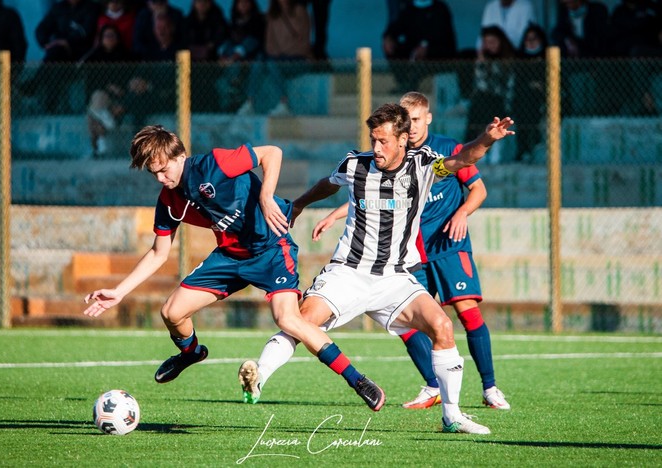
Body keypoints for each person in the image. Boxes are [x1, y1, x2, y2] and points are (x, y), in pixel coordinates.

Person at [239, 103, 515, 434]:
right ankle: (258, 375)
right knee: (301, 321)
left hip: (394, 277)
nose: (377, 148)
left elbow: (464, 158)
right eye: (373, 140)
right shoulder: (356, 163)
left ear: (402, 140)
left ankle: (452, 415)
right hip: (348, 273)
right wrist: (299, 204)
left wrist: (487, 138)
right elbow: (329, 183)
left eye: (384, 141)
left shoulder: (423, 165)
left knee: (442, 326)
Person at [83, 125, 387, 413]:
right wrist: (119, 292)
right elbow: (158, 253)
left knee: (288, 319)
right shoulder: (169, 201)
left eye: (164, 169)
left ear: (180, 156)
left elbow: (272, 153)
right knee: (171, 312)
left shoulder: (215, 164)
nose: (162, 178)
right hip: (229, 257)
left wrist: (266, 197)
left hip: (270, 249)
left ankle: (357, 380)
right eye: (154, 173)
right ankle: (191, 354)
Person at [237, 0, 312, 116]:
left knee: (272, 63)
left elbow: (304, 42)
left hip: (298, 60)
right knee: (259, 61)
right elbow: (269, 42)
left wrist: (282, 52)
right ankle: (249, 103)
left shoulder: (300, 11)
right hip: (279, 58)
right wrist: (277, 53)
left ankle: (284, 104)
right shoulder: (273, 14)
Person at [80, 24, 135, 157]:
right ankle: (104, 125)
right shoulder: (94, 57)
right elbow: (92, 83)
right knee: (98, 98)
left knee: (92, 114)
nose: (109, 39)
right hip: (101, 97)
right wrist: (109, 87)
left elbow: (128, 81)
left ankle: (97, 147)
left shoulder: (126, 57)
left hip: (119, 98)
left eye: (112, 36)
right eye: (106, 36)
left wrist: (117, 89)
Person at [382, 0, 457, 93]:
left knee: (426, 55)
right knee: (392, 47)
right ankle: (403, 83)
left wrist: (426, 47)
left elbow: (444, 36)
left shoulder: (440, 8)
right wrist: (388, 37)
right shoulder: (409, 9)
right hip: (413, 53)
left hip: (437, 53)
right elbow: (395, 28)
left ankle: (412, 85)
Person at [466, 26, 516, 164]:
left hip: (502, 99)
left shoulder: (508, 60)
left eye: (493, 41)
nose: (490, 45)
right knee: (480, 102)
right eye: (487, 42)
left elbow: (506, 87)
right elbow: (480, 83)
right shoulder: (483, 60)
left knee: (487, 103)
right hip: (484, 99)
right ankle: (478, 147)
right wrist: (481, 61)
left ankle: (492, 149)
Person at [551, 0, 610, 115]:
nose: (569, 5)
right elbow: (556, 32)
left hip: (597, 58)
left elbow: (601, 39)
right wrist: (568, 40)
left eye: (570, 2)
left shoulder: (597, 10)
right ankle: (569, 111)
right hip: (574, 61)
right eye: (566, 3)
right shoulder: (564, 12)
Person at [215, 0, 266, 112]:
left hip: (254, 59)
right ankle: (233, 97)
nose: (243, 4)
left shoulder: (259, 22)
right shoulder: (232, 23)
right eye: (240, 2)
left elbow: (255, 42)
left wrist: (236, 55)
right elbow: (227, 43)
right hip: (234, 63)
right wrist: (223, 55)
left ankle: (249, 102)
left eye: (246, 2)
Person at [515, 23, 547, 161]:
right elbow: (518, 84)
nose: (531, 42)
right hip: (524, 101)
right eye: (528, 39)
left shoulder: (549, 57)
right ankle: (526, 146)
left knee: (529, 99)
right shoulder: (520, 59)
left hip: (545, 98)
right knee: (525, 100)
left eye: (534, 39)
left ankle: (529, 145)